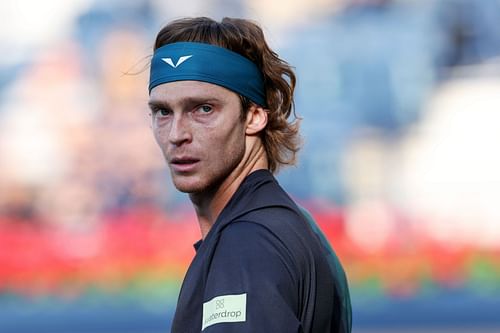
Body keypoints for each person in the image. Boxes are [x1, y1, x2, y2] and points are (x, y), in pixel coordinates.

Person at [147, 17, 351, 333]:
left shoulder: (249, 242)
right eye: (162, 112)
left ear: (254, 117)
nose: (176, 134)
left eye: (203, 109)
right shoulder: (281, 223)